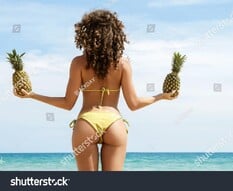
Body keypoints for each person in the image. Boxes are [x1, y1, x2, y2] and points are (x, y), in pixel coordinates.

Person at [14, 10, 177, 171]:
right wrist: (161, 96)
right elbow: (134, 104)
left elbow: (67, 103)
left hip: (86, 124)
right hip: (115, 124)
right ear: (115, 35)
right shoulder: (123, 64)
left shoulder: (78, 63)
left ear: (87, 35)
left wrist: (32, 95)